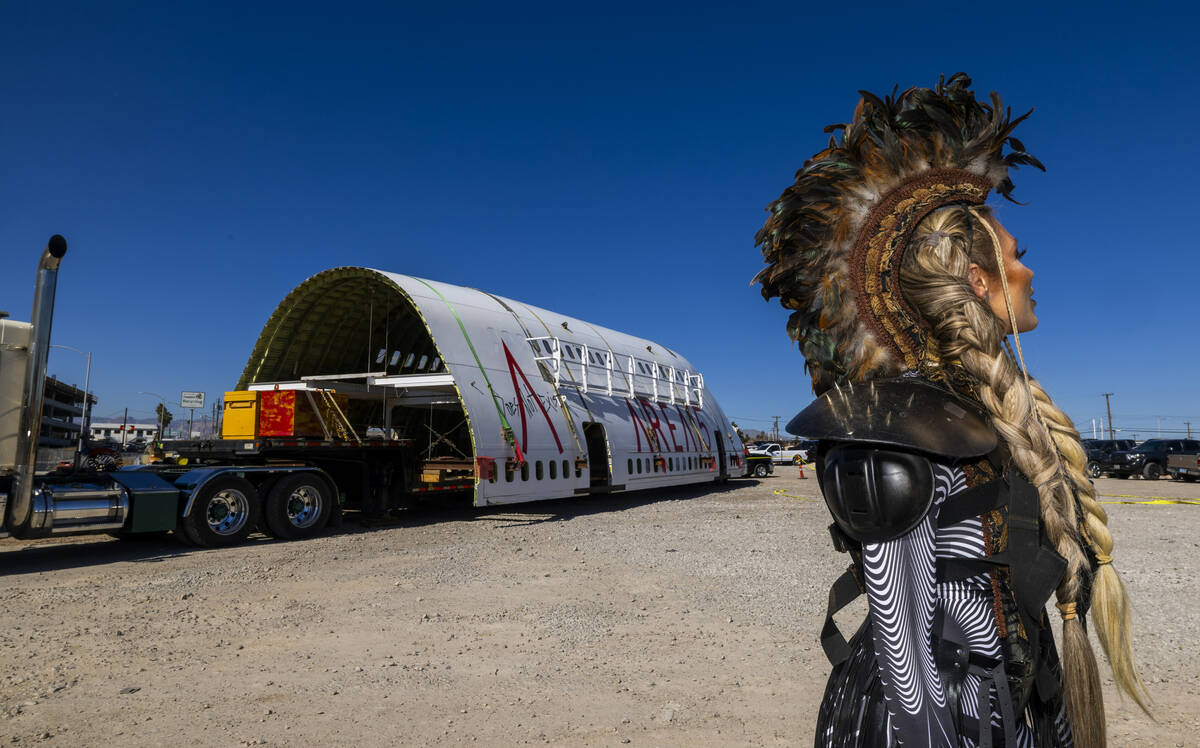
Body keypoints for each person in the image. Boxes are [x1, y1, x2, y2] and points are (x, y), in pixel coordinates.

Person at [754, 74, 1146, 747]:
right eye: (1019, 257)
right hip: (927, 724)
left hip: (1015, 709)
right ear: (978, 279)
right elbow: (908, 660)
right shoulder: (901, 428)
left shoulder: (997, 419)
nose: (1029, 272)